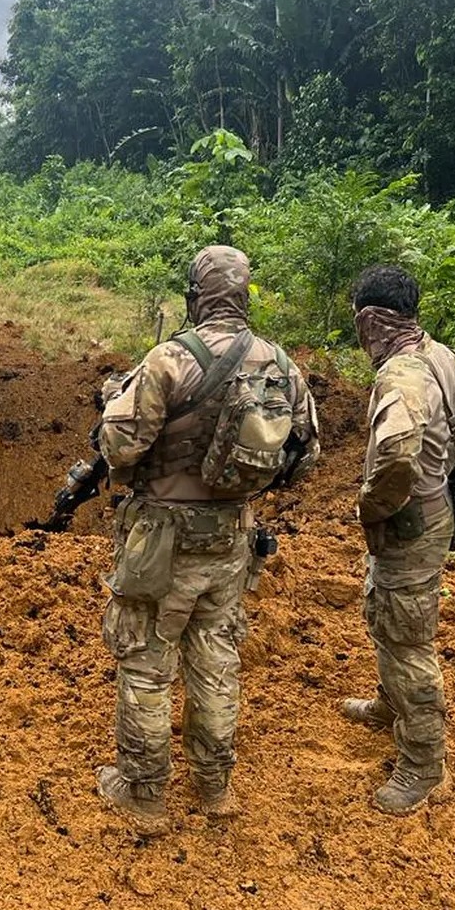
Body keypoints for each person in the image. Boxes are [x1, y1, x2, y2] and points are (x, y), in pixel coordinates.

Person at [95, 246, 319, 832]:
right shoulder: (281, 364)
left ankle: (143, 794)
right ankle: (215, 787)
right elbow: (304, 453)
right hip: (231, 541)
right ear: (245, 297)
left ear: (195, 298)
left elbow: (119, 448)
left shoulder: (170, 360)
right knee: (217, 659)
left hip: (160, 544)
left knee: (146, 661)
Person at [341, 265, 455, 814]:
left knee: (406, 637)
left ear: (372, 321)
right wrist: (442, 460)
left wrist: (371, 507)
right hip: (434, 510)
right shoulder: (441, 355)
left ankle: (422, 763)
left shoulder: (399, 377)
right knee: (387, 610)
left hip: (408, 521)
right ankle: (389, 703)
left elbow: (397, 454)